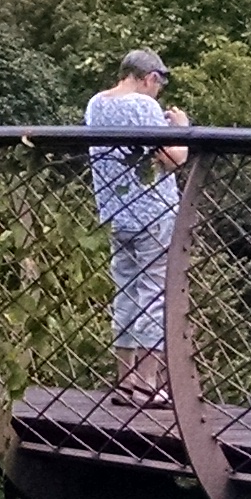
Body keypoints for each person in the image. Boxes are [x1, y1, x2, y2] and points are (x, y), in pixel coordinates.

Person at [83, 50, 191, 405]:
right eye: (159, 83)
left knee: (126, 292)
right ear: (150, 78)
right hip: (152, 211)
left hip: (115, 213)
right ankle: (147, 383)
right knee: (153, 294)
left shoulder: (96, 104)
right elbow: (173, 158)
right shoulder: (143, 106)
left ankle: (125, 380)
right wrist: (181, 129)